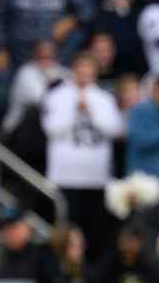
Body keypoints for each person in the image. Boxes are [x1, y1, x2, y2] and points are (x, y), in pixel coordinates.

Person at [41, 51, 124, 259]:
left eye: (89, 68)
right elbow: (51, 128)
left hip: (96, 178)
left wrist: (92, 112)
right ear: (73, 69)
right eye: (80, 67)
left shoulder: (104, 98)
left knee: (95, 232)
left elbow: (115, 129)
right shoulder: (56, 95)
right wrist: (74, 111)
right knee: (66, 231)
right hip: (66, 176)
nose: (84, 72)